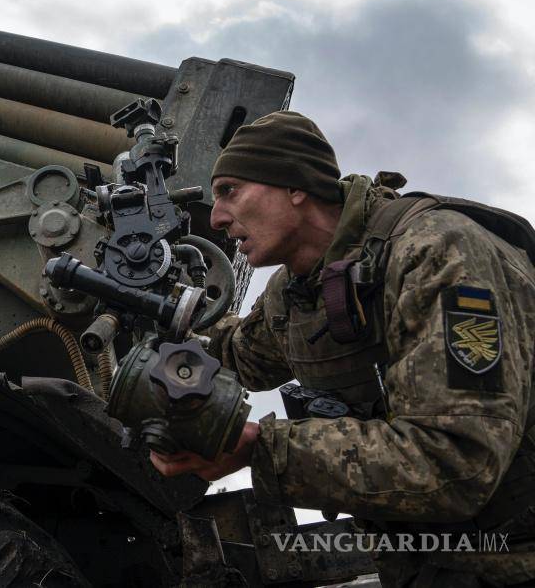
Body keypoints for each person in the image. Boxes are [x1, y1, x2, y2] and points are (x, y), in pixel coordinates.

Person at [150, 111, 535, 586]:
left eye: (230, 190)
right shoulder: (297, 290)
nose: (217, 217)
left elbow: (456, 460)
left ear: (295, 185)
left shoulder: (437, 252)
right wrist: (154, 304)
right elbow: (237, 356)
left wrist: (259, 448)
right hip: (426, 562)